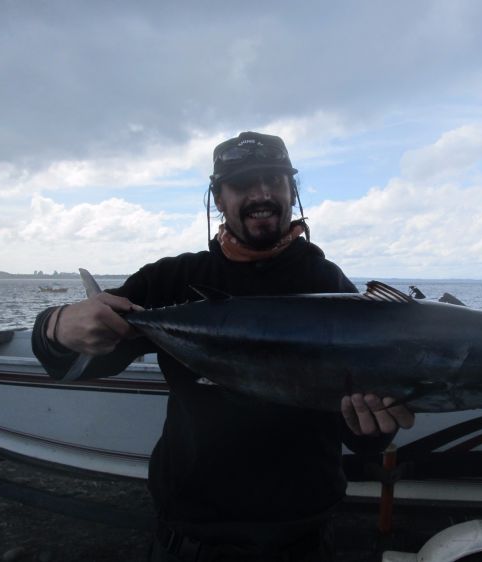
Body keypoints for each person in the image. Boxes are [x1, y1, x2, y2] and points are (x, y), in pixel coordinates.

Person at [32, 131, 414, 562]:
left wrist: (377, 427)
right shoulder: (172, 281)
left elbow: (359, 435)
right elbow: (75, 362)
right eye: (244, 183)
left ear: (293, 191)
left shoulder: (333, 290)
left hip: (301, 540)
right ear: (218, 196)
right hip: (189, 538)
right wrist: (56, 325)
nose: (263, 194)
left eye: (275, 180)